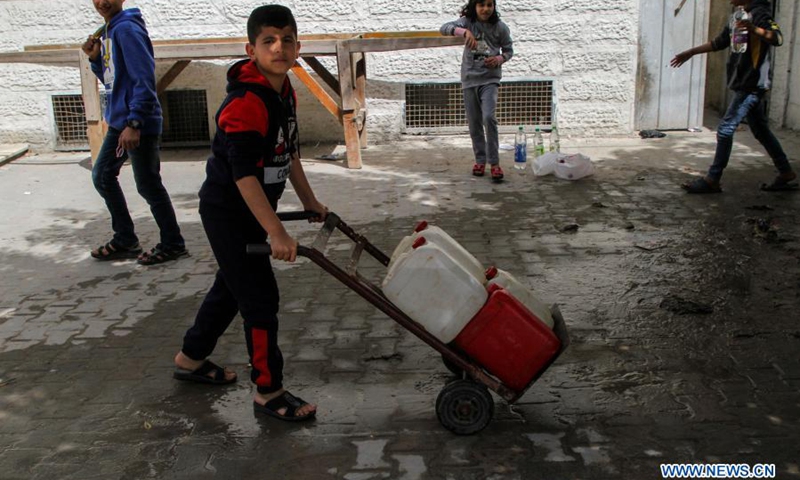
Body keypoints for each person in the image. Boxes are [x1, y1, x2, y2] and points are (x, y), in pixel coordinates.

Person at [172, 5, 327, 422]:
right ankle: (268, 390)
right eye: (269, 41)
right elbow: (243, 177)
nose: (280, 48)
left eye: (288, 39)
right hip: (229, 212)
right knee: (259, 298)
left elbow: (288, 152)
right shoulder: (245, 102)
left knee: (232, 289)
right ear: (251, 48)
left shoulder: (284, 90)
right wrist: (276, 232)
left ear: (298, 46)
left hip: (256, 209)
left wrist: (309, 202)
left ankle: (191, 357)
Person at [82, 0, 188, 264]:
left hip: (135, 123)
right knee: (104, 176)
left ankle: (172, 243)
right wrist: (96, 60)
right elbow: (113, 78)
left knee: (147, 184)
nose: (102, 2)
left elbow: (143, 79)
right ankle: (126, 239)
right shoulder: (109, 31)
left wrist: (135, 123)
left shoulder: (126, 29)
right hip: (122, 121)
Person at [671, 0, 797, 194]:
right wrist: (691, 52)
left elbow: (777, 38)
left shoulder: (760, 14)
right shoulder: (738, 16)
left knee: (725, 129)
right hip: (741, 82)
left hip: (752, 84)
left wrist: (754, 29)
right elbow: (720, 42)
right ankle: (786, 172)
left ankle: (713, 178)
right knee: (761, 131)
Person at [441, 0, 513, 182]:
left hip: (490, 80)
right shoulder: (468, 22)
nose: (486, 9)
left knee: (488, 117)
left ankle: (494, 163)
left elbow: (509, 50)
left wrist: (499, 59)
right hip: (469, 80)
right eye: (481, 5)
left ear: (494, 7)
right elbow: (444, 27)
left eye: (489, 5)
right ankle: (480, 160)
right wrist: (464, 32)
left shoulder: (500, 27)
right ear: (475, 6)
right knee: (474, 123)